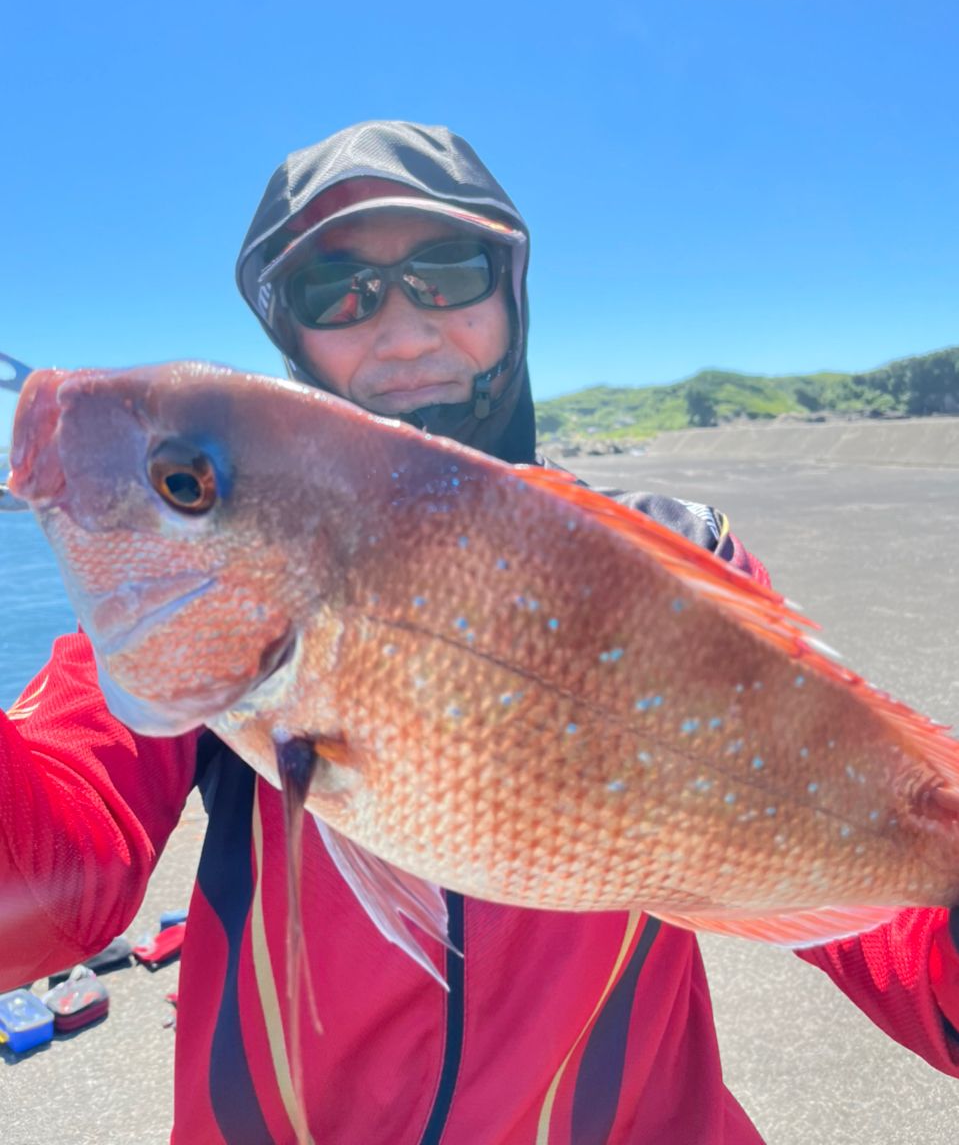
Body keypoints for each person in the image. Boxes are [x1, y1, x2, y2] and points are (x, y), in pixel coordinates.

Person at [2, 120, 959, 1144]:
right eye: (338, 289)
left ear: (510, 293)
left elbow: (890, 896)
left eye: (448, 270)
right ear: (292, 337)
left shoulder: (681, 557)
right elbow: (42, 896)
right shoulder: (170, 647)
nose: (404, 328)